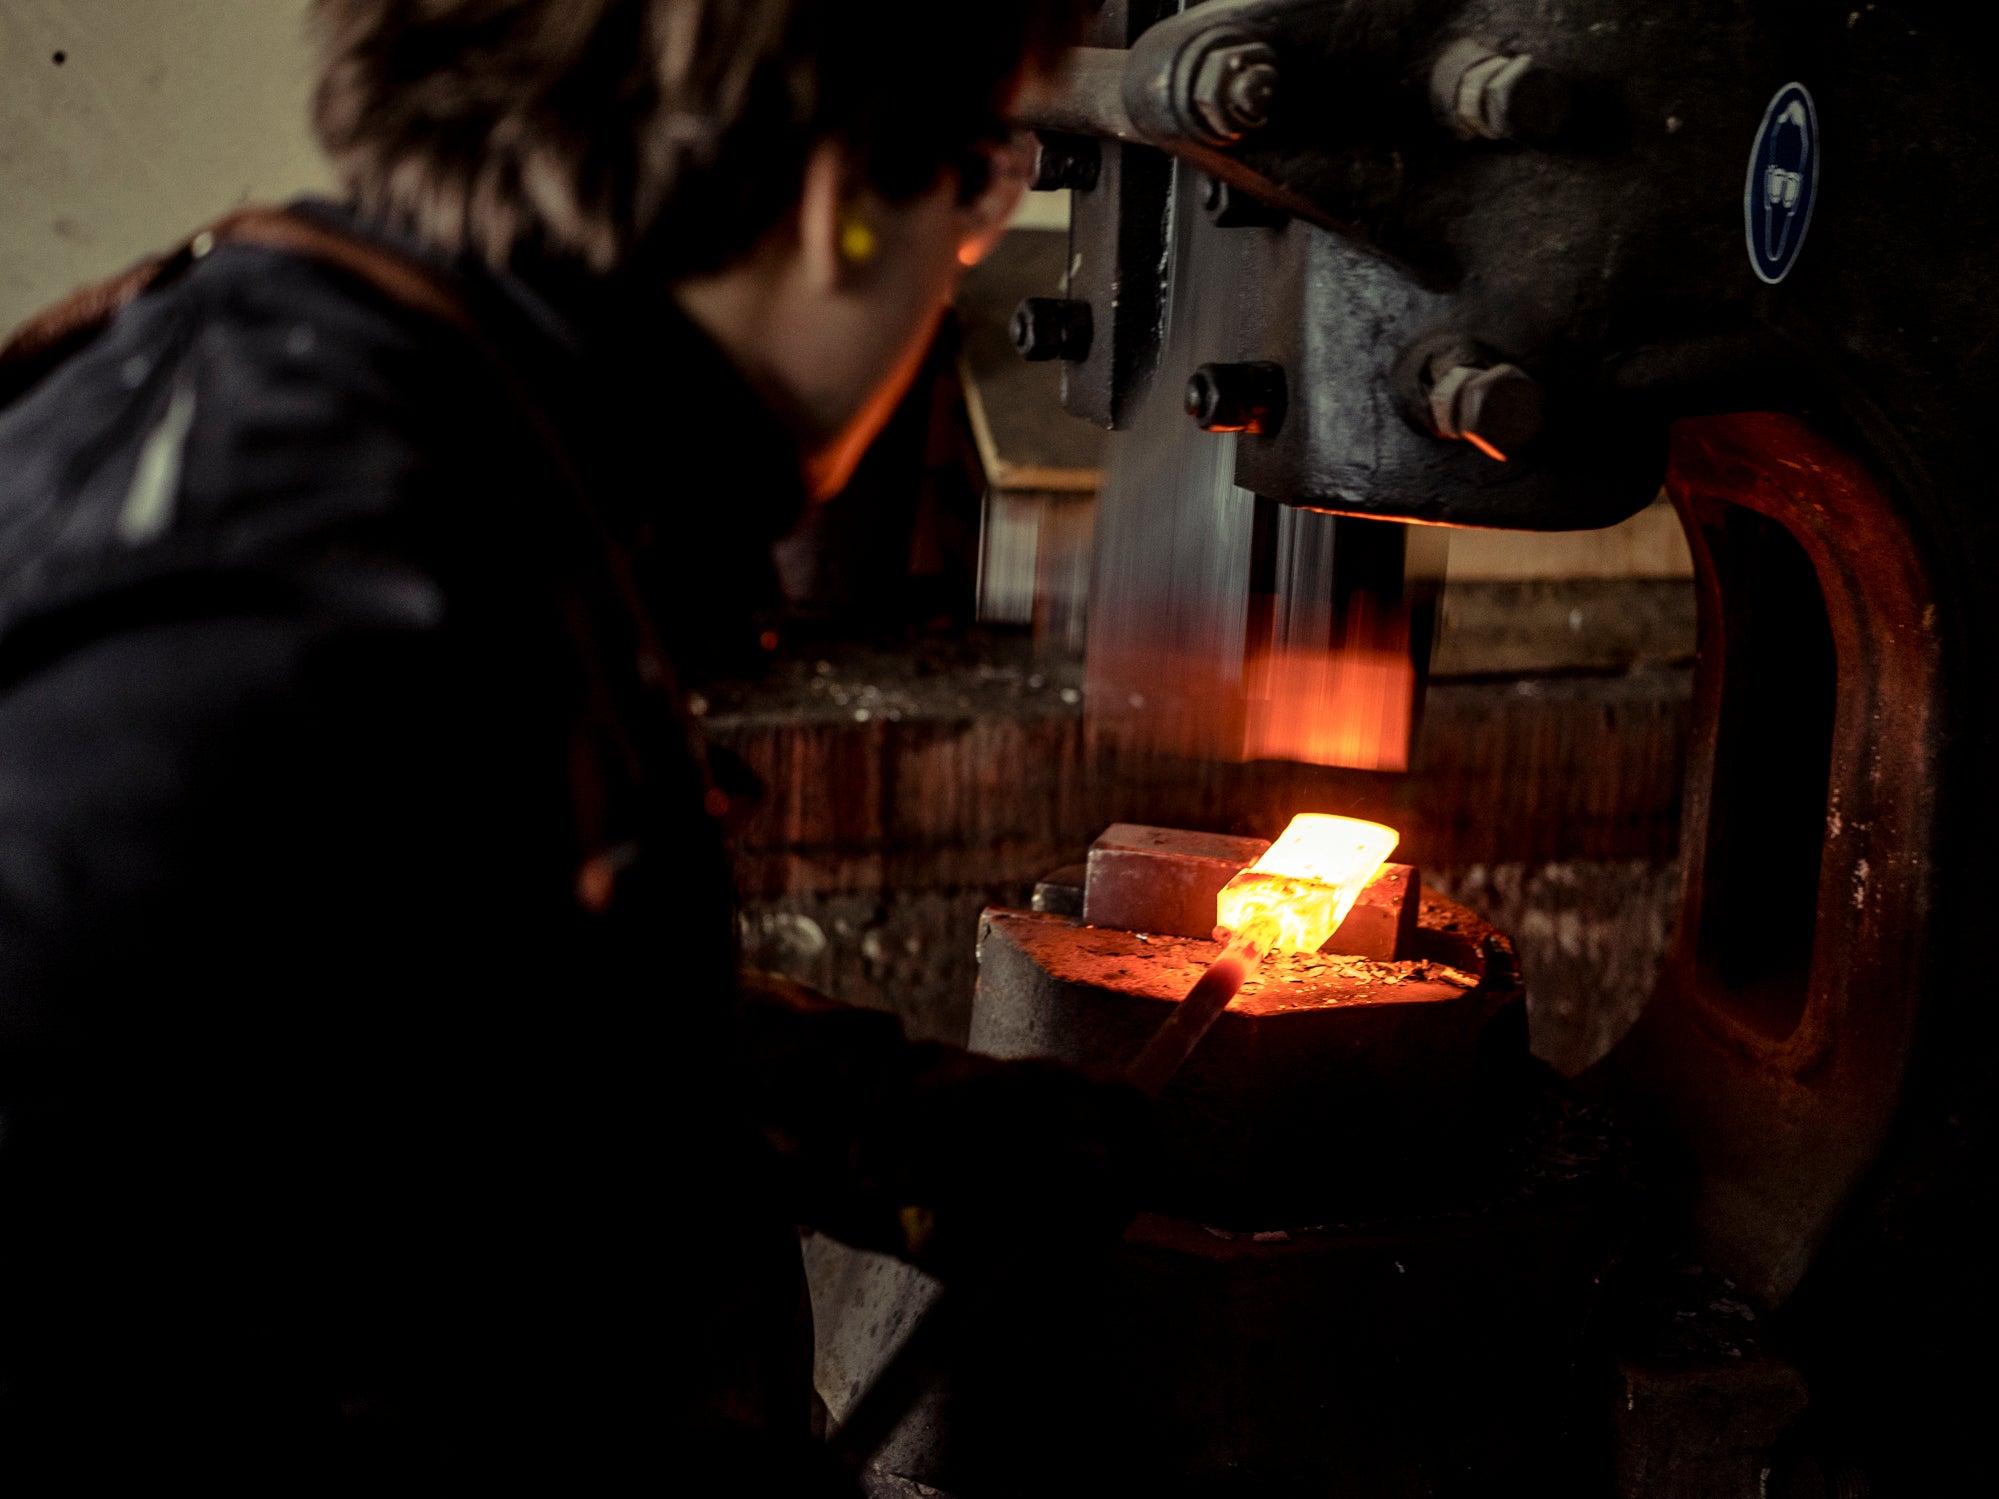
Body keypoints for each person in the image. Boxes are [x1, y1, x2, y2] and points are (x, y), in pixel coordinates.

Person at [0, 0, 1145, 1486]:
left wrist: (869, 1117)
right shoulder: (326, 581)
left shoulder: (298, 393)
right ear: (838, 200)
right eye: (973, 193)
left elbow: (389, 980)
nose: (955, 263)